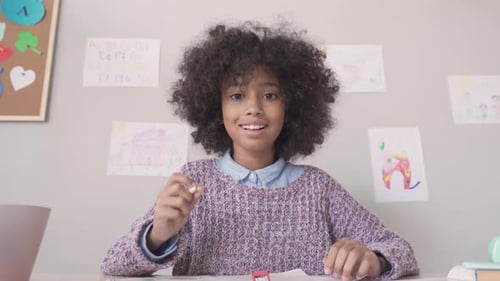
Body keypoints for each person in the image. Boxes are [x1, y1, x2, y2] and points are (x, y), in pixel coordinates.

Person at [101, 21, 419, 281]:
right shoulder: (192, 181)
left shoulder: (318, 188)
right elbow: (113, 265)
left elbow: (401, 250)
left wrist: (373, 260)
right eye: (237, 95)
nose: (253, 108)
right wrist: (158, 235)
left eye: (269, 95)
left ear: (291, 106)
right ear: (216, 107)